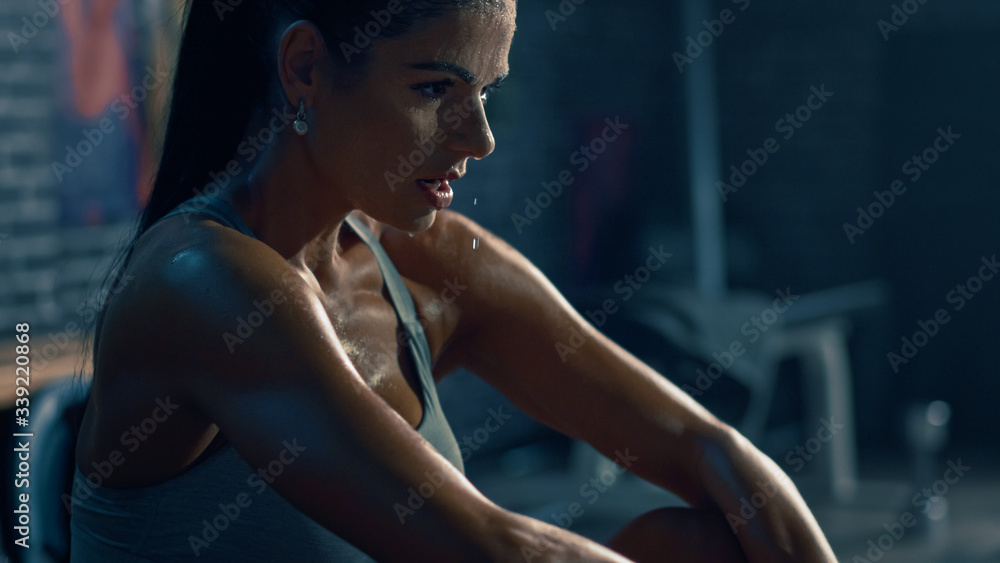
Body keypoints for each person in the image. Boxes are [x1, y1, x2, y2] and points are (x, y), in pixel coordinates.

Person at [69, 1, 837, 561]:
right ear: (305, 67)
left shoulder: (426, 265)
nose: (481, 138)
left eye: (486, 90)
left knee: (713, 543)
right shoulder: (200, 283)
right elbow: (488, 548)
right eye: (435, 90)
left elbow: (709, 448)